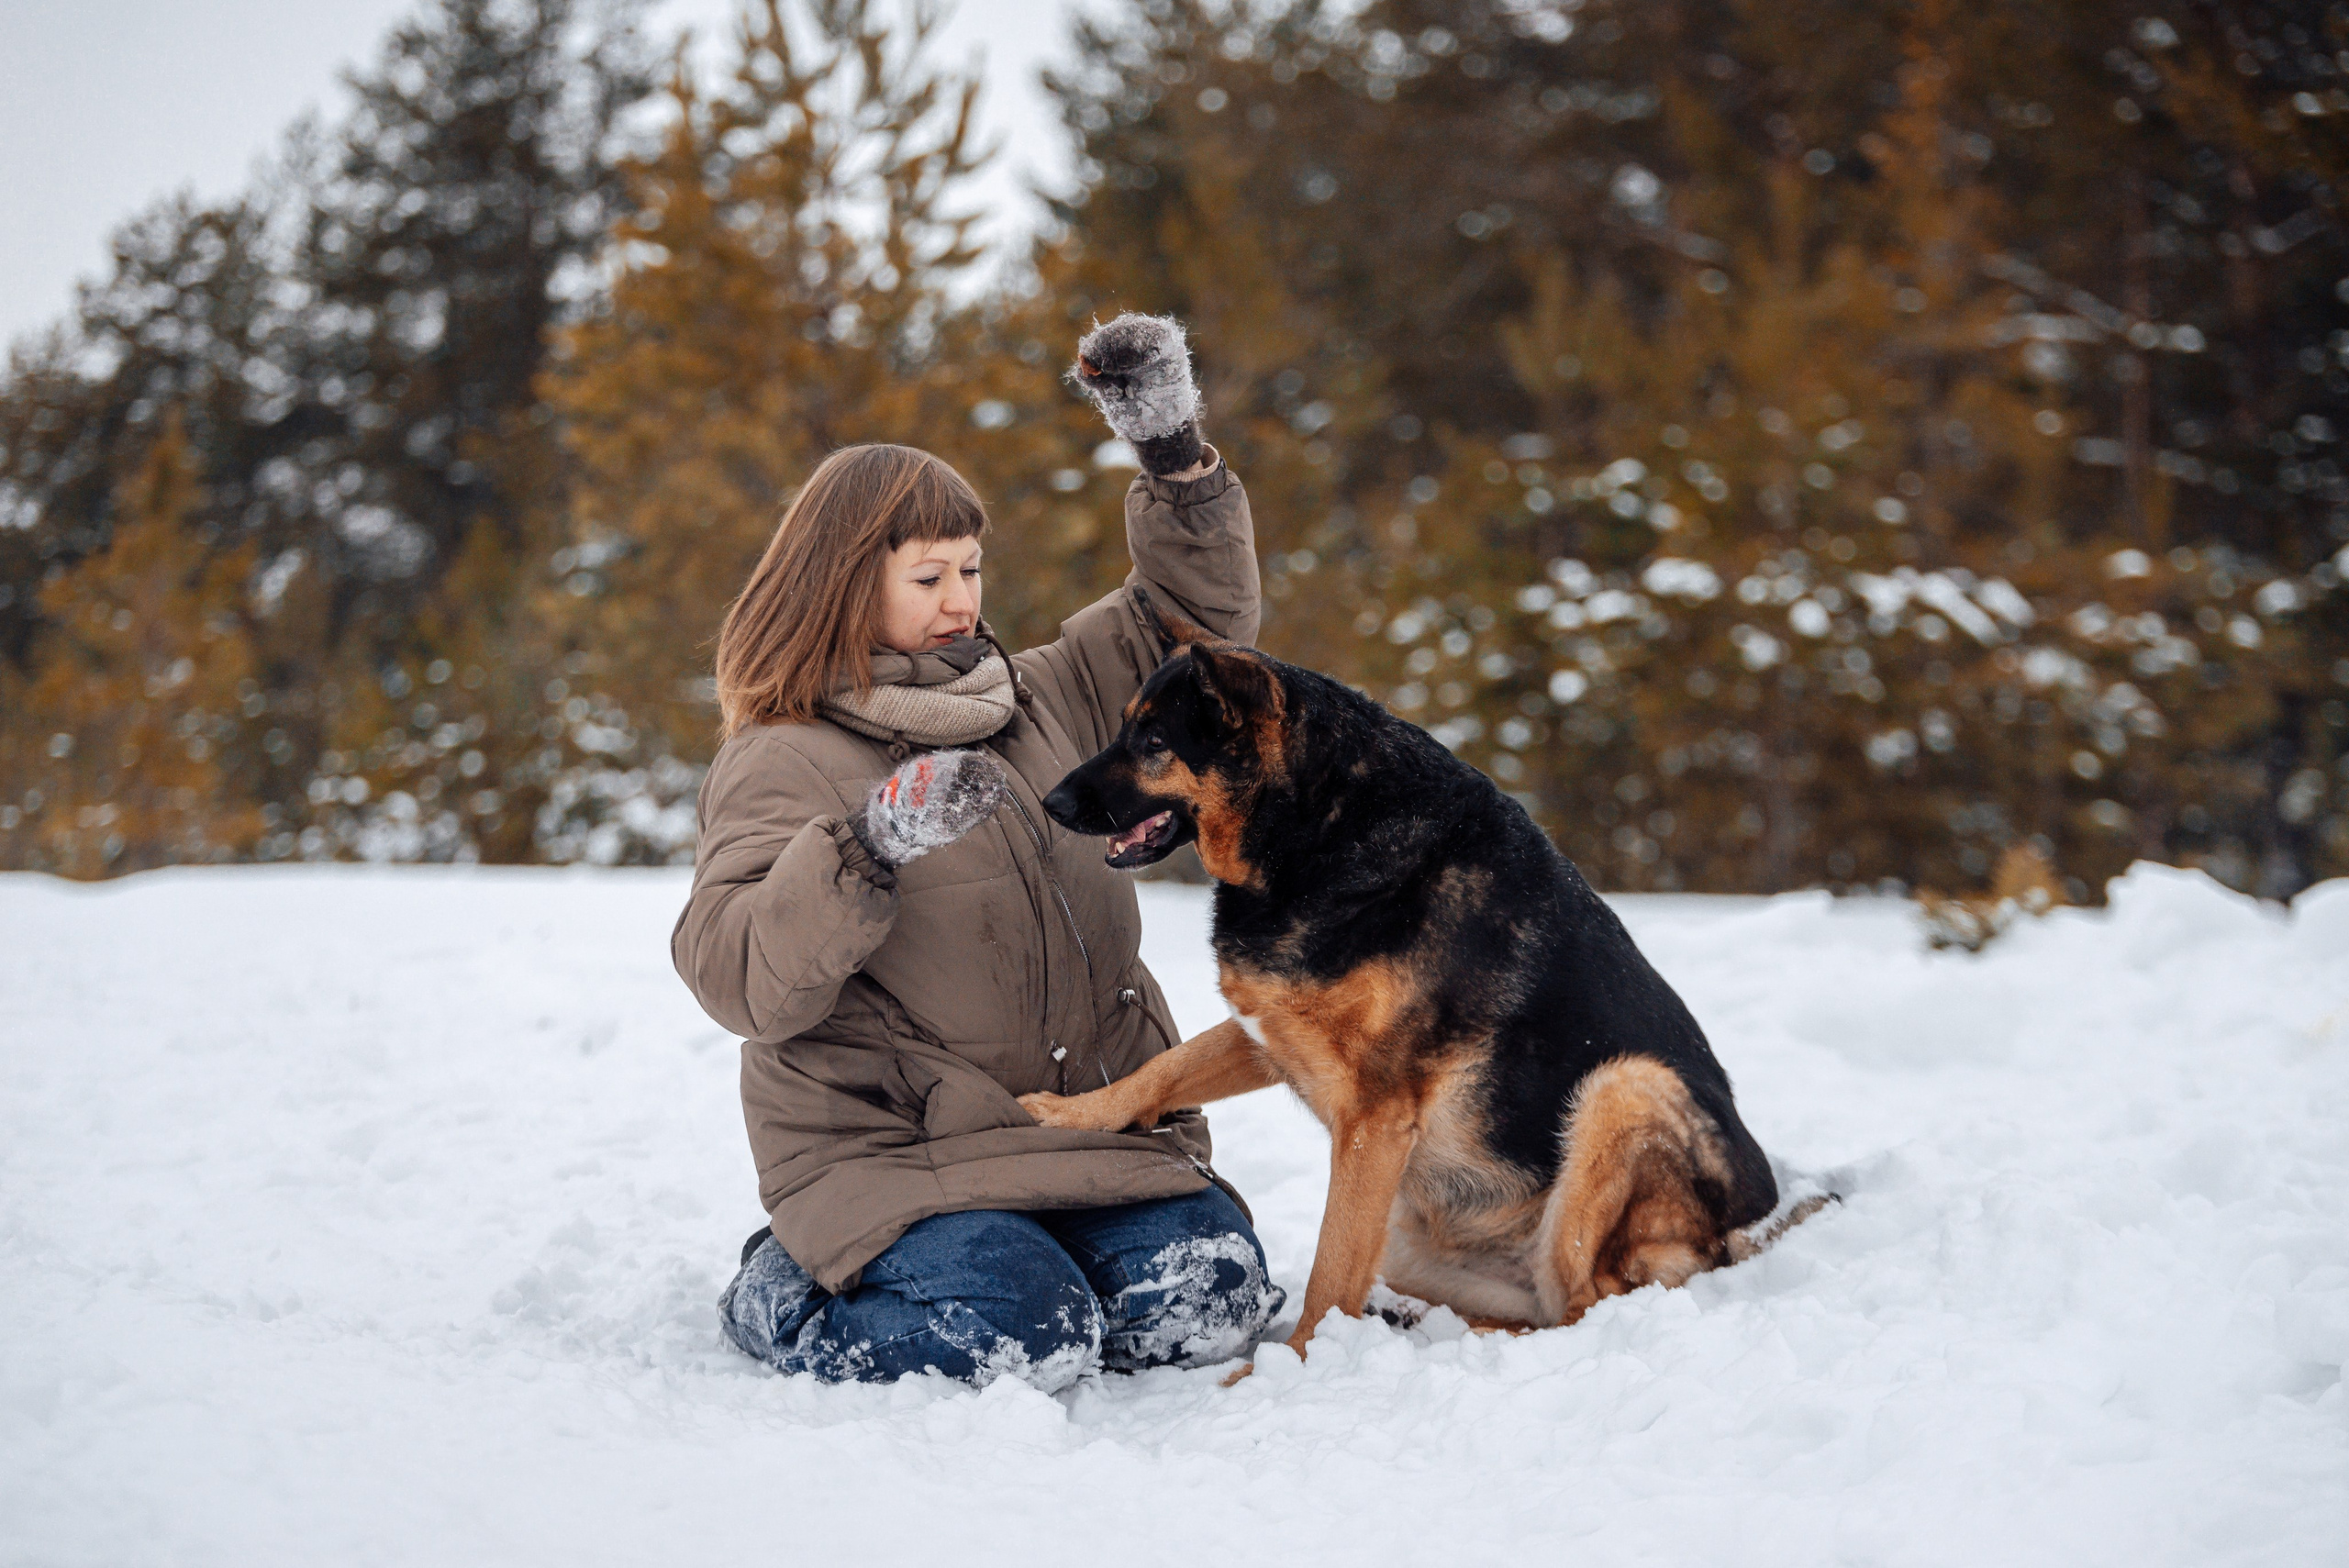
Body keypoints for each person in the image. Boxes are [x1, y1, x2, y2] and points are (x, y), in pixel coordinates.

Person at [676, 315, 1285, 1390]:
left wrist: (1173, 452)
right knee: (1008, 1334)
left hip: (1090, 1129)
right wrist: (866, 846)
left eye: (971, 568)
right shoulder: (783, 756)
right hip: (897, 1155)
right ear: (845, 581)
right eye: (929, 578)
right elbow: (737, 976)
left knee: (1208, 1299)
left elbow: (1196, 623)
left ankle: (1044, 1257)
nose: (964, 600)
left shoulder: (1042, 694)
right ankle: (784, 1287)